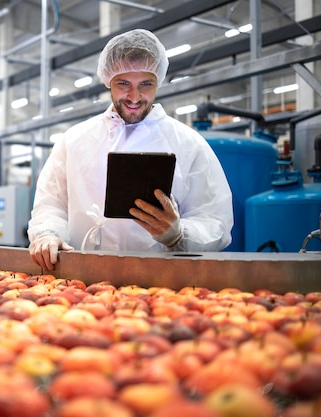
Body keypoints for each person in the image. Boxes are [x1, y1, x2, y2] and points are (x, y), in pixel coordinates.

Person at [27, 28, 233, 271]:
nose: (134, 97)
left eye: (146, 84)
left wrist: (179, 235)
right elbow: (51, 204)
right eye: (123, 83)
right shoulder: (74, 140)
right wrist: (47, 234)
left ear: (158, 81)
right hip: (82, 280)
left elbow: (214, 219)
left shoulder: (188, 144)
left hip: (159, 283)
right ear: (108, 81)